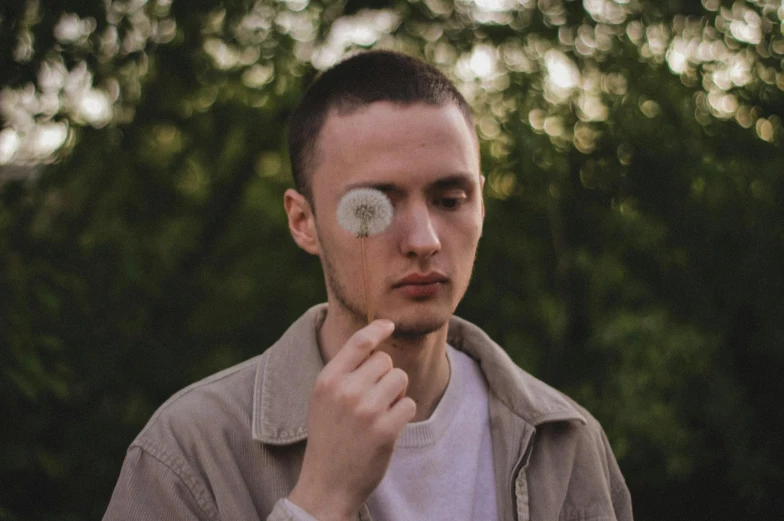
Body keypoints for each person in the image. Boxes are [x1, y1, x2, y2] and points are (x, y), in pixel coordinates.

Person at [103, 50, 633, 521]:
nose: (423, 239)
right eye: (371, 206)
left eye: (450, 200)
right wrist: (317, 503)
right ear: (303, 221)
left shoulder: (563, 443)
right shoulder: (189, 451)